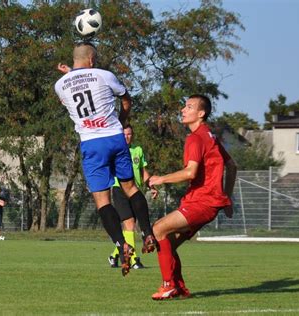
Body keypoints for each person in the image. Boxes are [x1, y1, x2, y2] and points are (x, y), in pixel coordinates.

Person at [54, 42, 156, 276]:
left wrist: (70, 74)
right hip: (114, 137)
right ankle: (147, 231)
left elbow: (75, 90)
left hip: (90, 143)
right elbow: (126, 100)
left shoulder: (60, 85)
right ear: (91, 59)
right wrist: (121, 120)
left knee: (102, 201)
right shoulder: (105, 75)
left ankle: (122, 246)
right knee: (130, 187)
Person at [148, 94, 237, 300]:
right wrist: (227, 197)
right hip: (207, 202)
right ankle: (179, 289)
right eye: (184, 106)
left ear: (201, 113)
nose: (183, 110)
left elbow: (190, 172)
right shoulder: (210, 136)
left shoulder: (195, 138)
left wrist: (161, 179)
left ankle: (168, 286)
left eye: (189, 107)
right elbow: (232, 166)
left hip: (202, 202)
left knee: (158, 229)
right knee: (168, 242)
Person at [108, 124, 158, 270]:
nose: (127, 137)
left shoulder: (138, 150)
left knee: (132, 226)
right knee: (129, 224)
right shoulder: (115, 151)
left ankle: (114, 255)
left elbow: (143, 171)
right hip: (119, 189)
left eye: (129, 134)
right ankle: (134, 259)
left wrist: (151, 185)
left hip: (134, 191)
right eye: (124, 134)